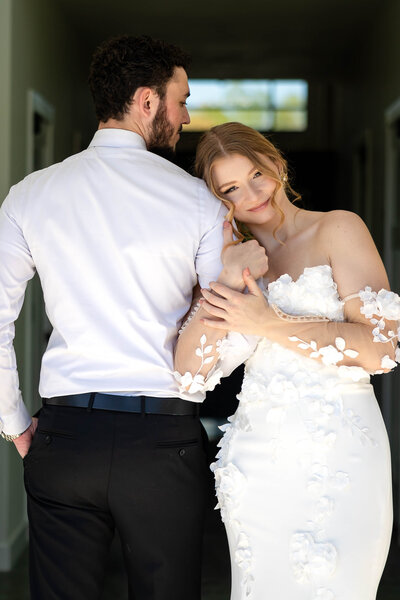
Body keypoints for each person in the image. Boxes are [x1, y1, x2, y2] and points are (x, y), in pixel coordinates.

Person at [0, 40, 268, 600]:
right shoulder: (198, 202)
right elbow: (232, 323)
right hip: (162, 441)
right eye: (181, 99)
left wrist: (14, 422)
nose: (187, 116)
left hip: (65, 436)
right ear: (147, 101)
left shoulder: (30, 196)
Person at [174, 122, 400, 600]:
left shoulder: (338, 228)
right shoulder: (224, 261)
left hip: (341, 454)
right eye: (231, 189)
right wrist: (228, 277)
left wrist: (269, 323)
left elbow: (383, 348)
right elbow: (188, 373)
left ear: (277, 162)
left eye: (257, 173)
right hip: (258, 465)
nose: (252, 194)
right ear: (220, 201)